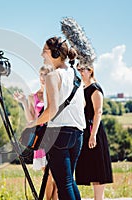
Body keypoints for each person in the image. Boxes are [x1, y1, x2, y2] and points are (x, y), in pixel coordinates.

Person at [29, 36, 86, 200]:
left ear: (54, 53)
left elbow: (52, 109)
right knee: (69, 181)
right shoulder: (76, 75)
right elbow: (82, 104)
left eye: (44, 51)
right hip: (77, 134)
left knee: (64, 184)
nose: (41, 54)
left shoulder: (52, 76)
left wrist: (33, 123)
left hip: (58, 133)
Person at [14, 65, 58, 200]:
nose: (43, 78)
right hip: (42, 139)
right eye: (41, 74)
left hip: (56, 136)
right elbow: (31, 120)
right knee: (48, 175)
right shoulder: (35, 96)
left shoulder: (56, 94)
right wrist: (24, 103)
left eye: (46, 75)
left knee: (57, 176)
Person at [75, 64, 113, 200]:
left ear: (90, 71)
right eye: (78, 69)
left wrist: (93, 135)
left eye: (82, 69)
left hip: (94, 131)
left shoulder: (95, 88)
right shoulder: (82, 88)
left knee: (98, 174)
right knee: (90, 172)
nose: (79, 72)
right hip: (85, 132)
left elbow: (98, 112)